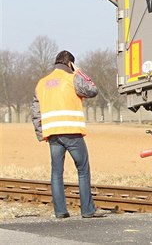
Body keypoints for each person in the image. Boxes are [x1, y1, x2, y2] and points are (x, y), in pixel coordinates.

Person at [31, 50, 107, 219]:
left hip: (52, 135)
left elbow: (35, 111)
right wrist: (79, 71)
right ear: (70, 64)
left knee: (56, 172)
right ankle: (87, 210)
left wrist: (40, 133)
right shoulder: (72, 78)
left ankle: (60, 212)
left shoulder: (42, 83)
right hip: (72, 133)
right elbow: (92, 90)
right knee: (82, 170)